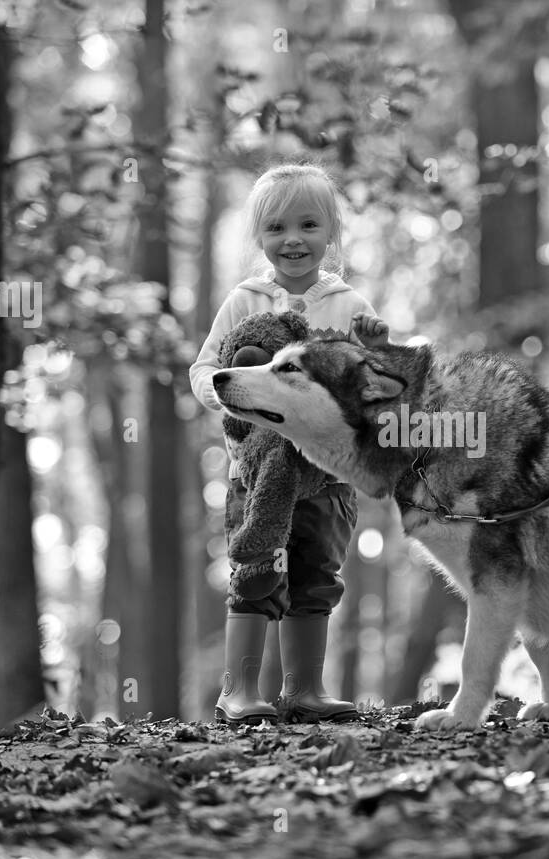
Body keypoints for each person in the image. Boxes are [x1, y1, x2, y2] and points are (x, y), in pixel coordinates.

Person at [190, 162, 388, 723]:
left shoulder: (349, 305)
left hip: (326, 474)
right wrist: (229, 400)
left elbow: (370, 383)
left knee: (316, 574)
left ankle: (303, 689)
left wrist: (376, 346)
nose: (293, 240)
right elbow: (206, 368)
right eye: (277, 228)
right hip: (254, 474)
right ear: (260, 237)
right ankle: (240, 690)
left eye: (308, 226)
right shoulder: (244, 302)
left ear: (330, 235)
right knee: (257, 567)